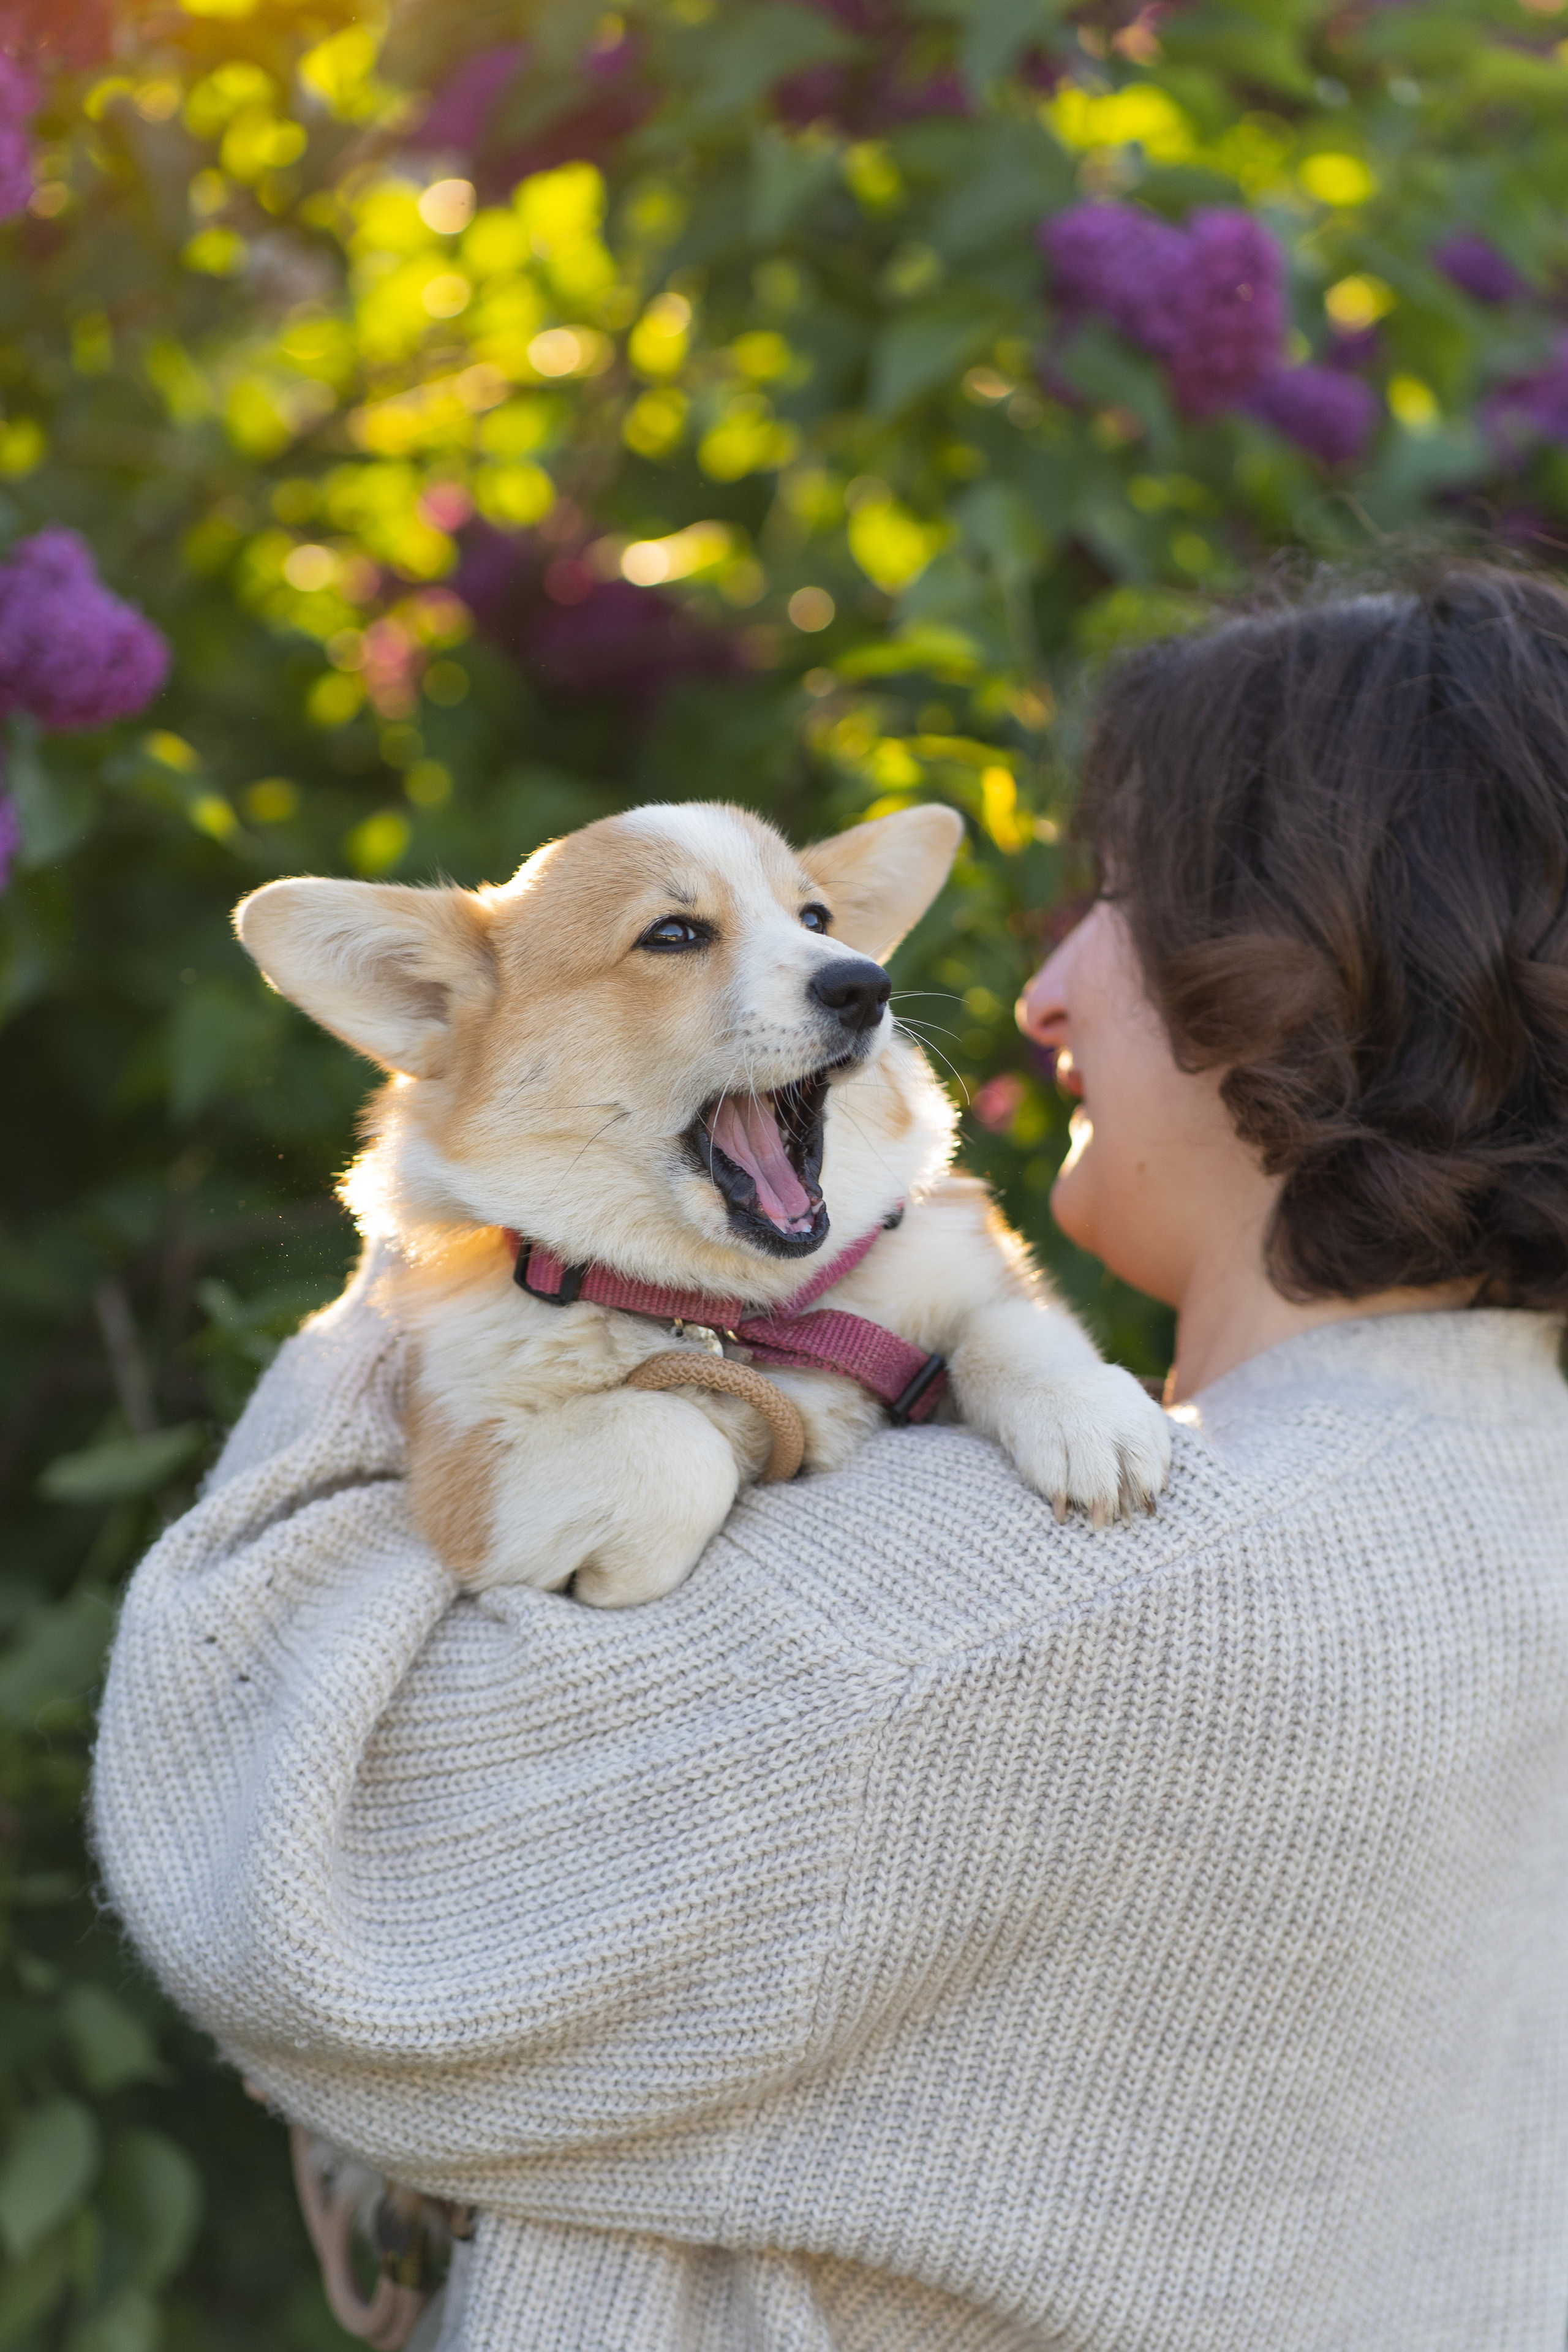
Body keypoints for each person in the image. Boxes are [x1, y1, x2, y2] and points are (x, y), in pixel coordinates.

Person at [93, 563, 1568, 2352]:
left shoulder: (952, 1633)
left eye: (1116, 896)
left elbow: (278, 1881)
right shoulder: (1502, 1517)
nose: (1032, 989)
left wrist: (429, 1264)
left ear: (1318, 970)